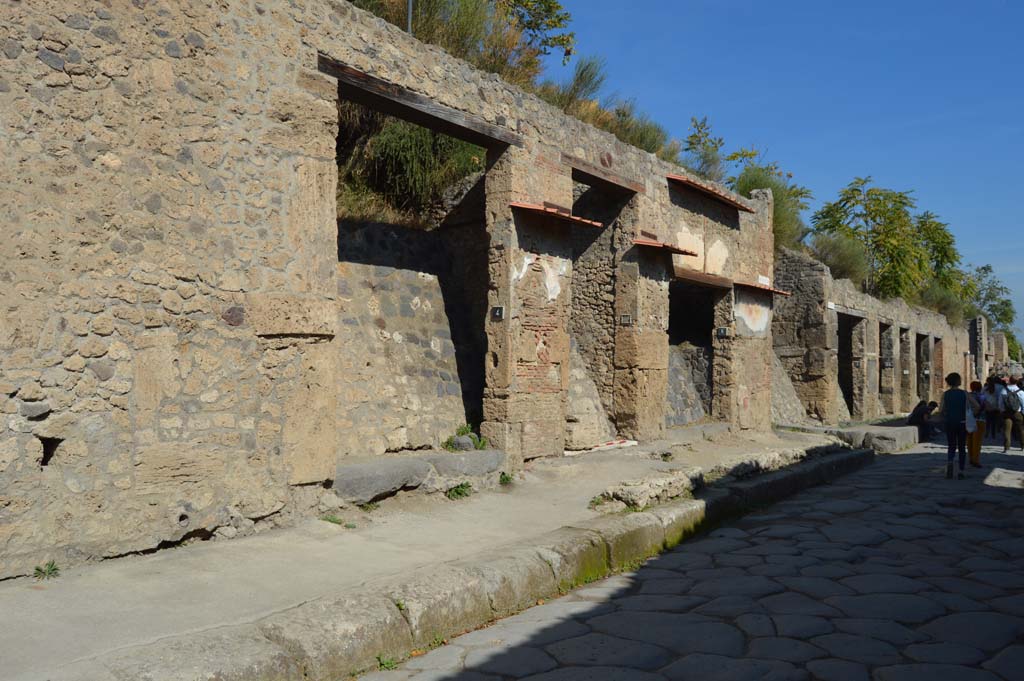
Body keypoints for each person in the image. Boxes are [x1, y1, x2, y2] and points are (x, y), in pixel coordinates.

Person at [938, 373, 979, 480]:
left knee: (951, 446)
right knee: (961, 447)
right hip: (962, 422)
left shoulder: (945, 394)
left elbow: (941, 410)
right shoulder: (964, 393)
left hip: (950, 422)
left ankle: (950, 462)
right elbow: (977, 406)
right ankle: (961, 471)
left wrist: (946, 415)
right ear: (958, 381)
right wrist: (971, 414)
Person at [967, 381, 987, 467]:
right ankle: (976, 459)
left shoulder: (968, 396)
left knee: (969, 440)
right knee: (977, 441)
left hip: (969, 420)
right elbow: (986, 407)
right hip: (980, 420)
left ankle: (971, 458)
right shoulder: (982, 396)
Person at [1003, 376, 1024, 452]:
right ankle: (1022, 446)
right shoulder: (1020, 392)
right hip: (1017, 412)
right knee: (1021, 429)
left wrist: (1002, 410)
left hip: (1007, 412)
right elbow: (1023, 403)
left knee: (1007, 430)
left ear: (1009, 381)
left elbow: (1000, 402)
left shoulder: (1004, 390)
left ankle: (1006, 447)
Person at [984, 377, 1003, 443]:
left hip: (987, 407)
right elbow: (1000, 397)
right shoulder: (998, 388)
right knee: (994, 421)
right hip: (995, 407)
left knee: (988, 421)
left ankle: (986, 433)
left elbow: (982, 396)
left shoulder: (985, 388)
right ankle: (993, 434)